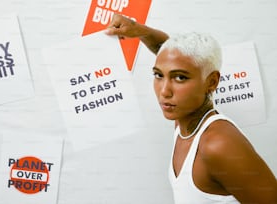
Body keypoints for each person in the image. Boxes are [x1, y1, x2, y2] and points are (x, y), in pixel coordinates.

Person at [105, 14, 277, 203]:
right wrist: (138, 30)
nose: (164, 91)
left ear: (212, 82)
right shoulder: (183, 122)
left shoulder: (218, 144)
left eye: (180, 78)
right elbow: (170, 55)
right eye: (158, 75)